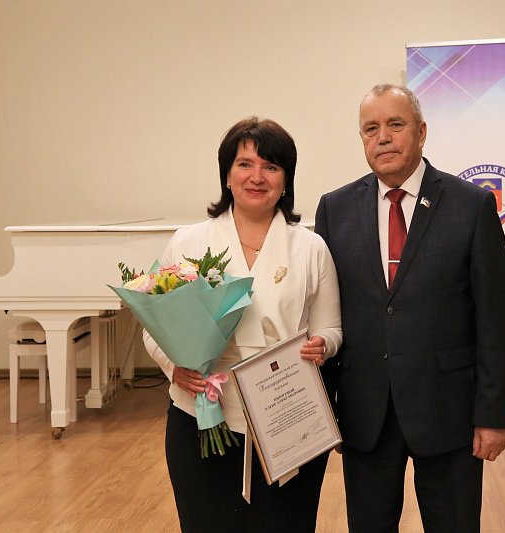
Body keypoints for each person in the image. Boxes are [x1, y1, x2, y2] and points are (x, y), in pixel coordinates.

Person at [315, 84, 505, 532]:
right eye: (371, 129)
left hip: (449, 413)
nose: (383, 137)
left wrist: (493, 415)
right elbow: (324, 314)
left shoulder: (472, 205)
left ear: (421, 132)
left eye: (395, 124)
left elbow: (494, 320)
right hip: (365, 414)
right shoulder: (334, 209)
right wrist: (322, 413)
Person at [143, 116, 342, 533]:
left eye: (271, 166)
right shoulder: (189, 242)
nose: (257, 176)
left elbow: (332, 328)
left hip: (288, 413)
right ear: (227, 175)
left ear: (286, 181)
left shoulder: (311, 247)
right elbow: (154, 326)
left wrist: (322, 344)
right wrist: (175, 367)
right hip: (203, 414)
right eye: (245, 164)